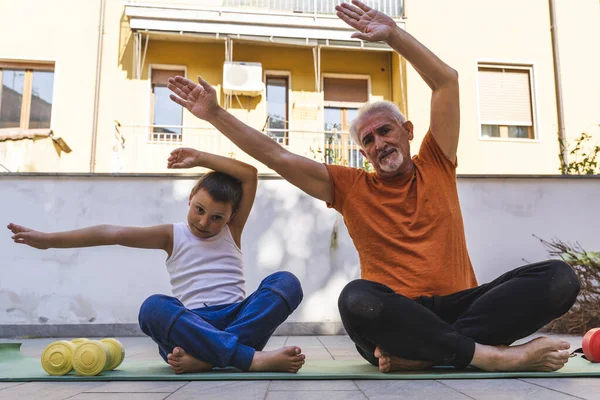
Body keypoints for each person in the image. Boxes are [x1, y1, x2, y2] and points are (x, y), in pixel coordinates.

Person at [166, 0, 580, 373]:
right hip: (396, 317)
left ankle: (428, 355)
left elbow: (447, 83)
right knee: (356, 299)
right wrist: (216, 113)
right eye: (368, 140)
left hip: (459, 306)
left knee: (558, 277)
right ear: (363, 153)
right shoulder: (349, 187)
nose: (379, 143)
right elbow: (277, 156)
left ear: (408, 131)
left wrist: (394, 35)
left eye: (385, 131)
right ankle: (490, 356)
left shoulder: (436, 162)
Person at [7, 149, 305, 374]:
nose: (204, 222)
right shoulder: (170, 235)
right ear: (190, 198)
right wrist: (49, 240)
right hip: (192, 327)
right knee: (153, 307)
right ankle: (248, 358)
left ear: (230, 217)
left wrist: (200, 156)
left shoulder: (232, 231)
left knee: (286, 283)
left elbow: (249, 174)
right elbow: (113, 233)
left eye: (217, 217)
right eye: (199, 210)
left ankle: (210, 357)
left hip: (239, 321)